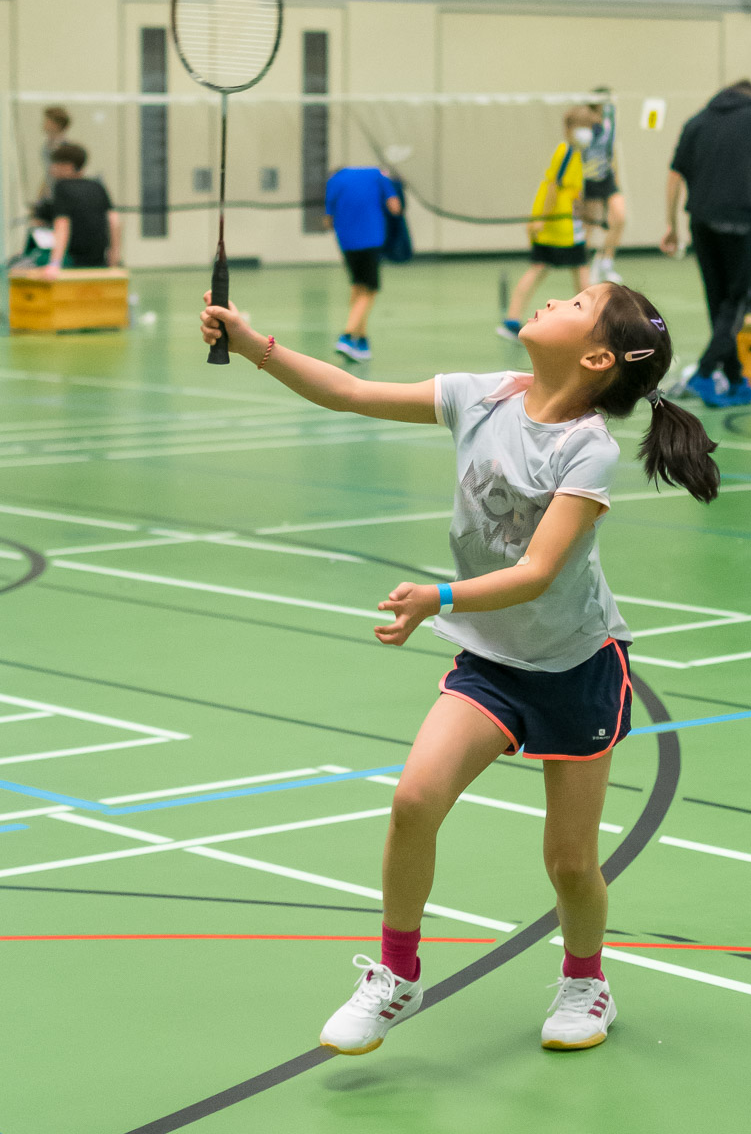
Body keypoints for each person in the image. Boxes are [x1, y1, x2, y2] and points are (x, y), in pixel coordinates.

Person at [200, 281, 720, 1057]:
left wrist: (436, 597)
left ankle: (586, 981)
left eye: (576, 304)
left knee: (569, 862)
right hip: (492, 661)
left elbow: (537, 572)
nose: (553, 300)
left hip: (574, 665)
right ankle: (397, 975)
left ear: (596, 358)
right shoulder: (482, 396)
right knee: (414, 799)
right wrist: (254, 347)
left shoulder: (587, 449)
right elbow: (349, 392)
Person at [661, 78, 751, 407]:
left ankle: (734, 379)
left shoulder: (696, 121)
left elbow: (675, 174)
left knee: (718, 301)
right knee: (739, 297)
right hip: (739, 218)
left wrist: (671, 225)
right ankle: (705, 373)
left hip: (700, 220)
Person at [497, 106, 596, 342]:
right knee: (579, 268)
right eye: (582, 127)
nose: (587, 132)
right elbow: (553, 188)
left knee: (544, 267)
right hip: (560, 222)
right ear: (569, 129)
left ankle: (512, 320)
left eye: (590, 127)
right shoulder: (567, 152)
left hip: (563, 220)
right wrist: (543, 218)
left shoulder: (577, 153)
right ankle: (593, 323)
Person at [325, 166, 401, 363]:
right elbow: (395, 207)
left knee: (358, 287)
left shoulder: (334, 181)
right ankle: (347, 336)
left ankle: (361, 342)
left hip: (346, 243)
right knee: (370, 290)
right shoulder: (378, 176)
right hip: (371, 240)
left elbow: (327, 220)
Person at [42, 142, 121, 275]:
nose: (51, 169)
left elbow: (62, 224)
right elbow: (114, 221)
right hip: (99, 260)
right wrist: (114, 256)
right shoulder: (97, 186)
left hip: (72, 260)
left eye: (55, 164)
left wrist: (55, 263)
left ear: (68, 166)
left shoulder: (62, 187)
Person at [583, 89, 626, 285]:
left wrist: (616, 176)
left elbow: (611, 151)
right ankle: (585, 268)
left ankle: (605, 262)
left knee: (620, 217)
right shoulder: (585, 124)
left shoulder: (610, 121)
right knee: (589, 228)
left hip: (606, 178)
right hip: (587, 180)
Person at [37, 105, 71, 201]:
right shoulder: (46, 146)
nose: (44, 123)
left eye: (47, 120)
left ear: (56, 124)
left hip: (61, 194)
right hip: (50, 192)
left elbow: (64, 174)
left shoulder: (65, 147)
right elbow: (49, 172)